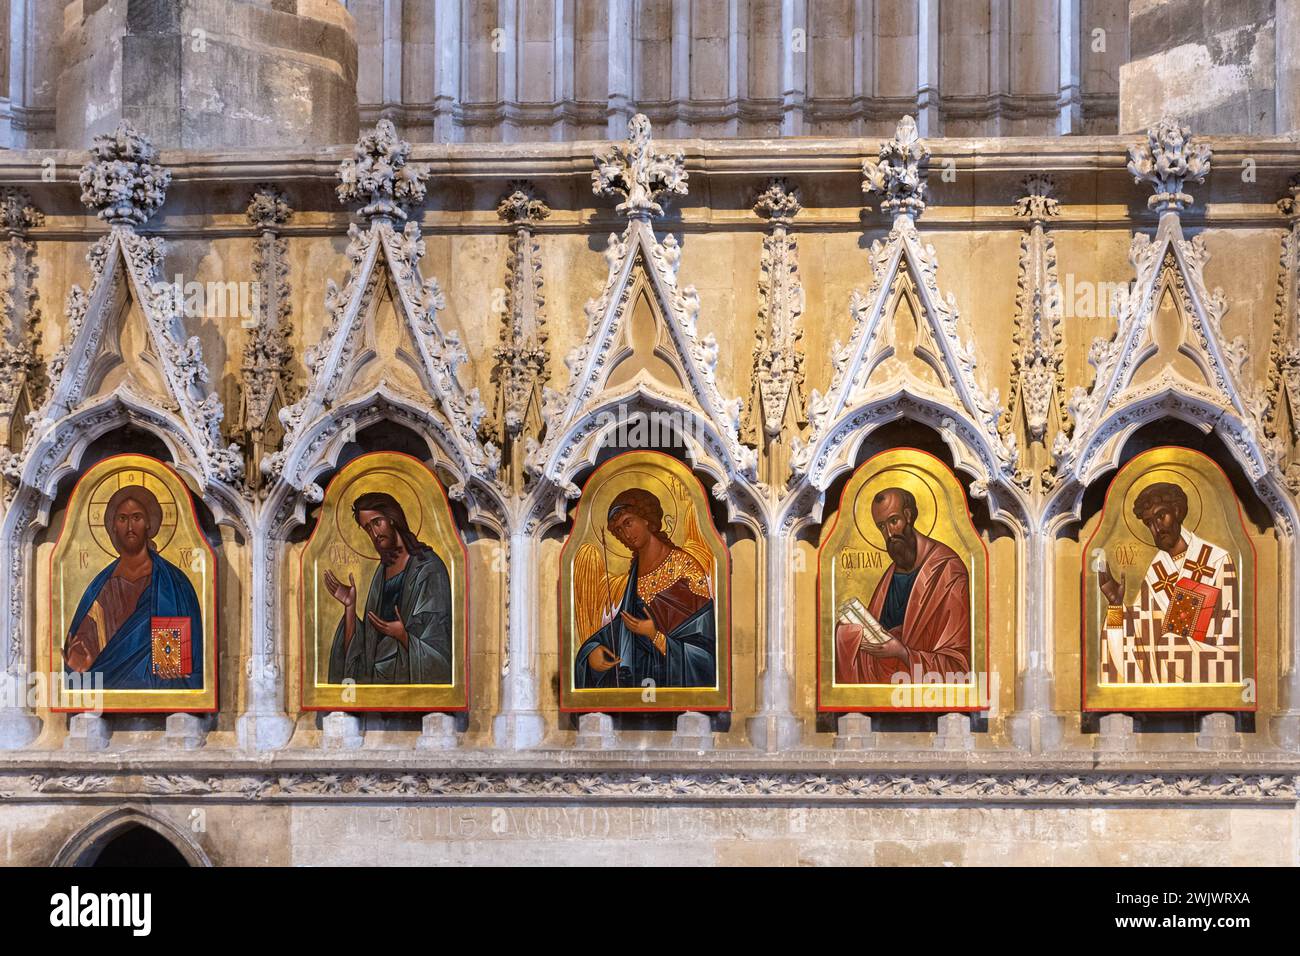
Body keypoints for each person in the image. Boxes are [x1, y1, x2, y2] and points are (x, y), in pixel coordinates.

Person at [63, 484, 204, 690]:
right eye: (122, 519)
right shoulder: (101, 586)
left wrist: (173, 663)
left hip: (160, 687)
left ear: (149, 524)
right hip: (103, 689)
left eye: (136, 518)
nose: (130, 526)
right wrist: (77, 658)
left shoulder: (174, 583)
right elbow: (81, 648)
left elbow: (183, 657)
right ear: (113, 527)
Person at [1097, 481, 1239, 684]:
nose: (1156, 528)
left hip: (1210, 660)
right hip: (1164, 667)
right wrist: (1115, 606)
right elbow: (1139, 632)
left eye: (1160, 516)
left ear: (1178, 511)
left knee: (1171, 643)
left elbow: (1227, 629)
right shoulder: (1156, 571)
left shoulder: (1214, 559)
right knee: (1168, 643)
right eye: (1149, 523)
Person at [574, 488, 716, 689]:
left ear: (646, 519)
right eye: (619, 531)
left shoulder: (685, 566)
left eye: (628, 523)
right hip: (638, 678)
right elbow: (624, 625)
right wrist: (594, 649)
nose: (626, 534)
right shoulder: (635, 574)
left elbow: (706, 644)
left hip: (674, 678)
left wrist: (655, 635)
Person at [834, 486, 971, 683]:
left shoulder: (948, 570)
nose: (889, 534)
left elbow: (960, 664)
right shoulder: (891, 574)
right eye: (881, 527)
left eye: (893, 521)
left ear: (908, 516)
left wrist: (902, 653)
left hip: (923, 689)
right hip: (886, 684)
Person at [324, 491, 453, 684]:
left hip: (407, 681)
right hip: (377, 682)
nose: (374, 534)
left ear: (392, 518)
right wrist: (350, 607)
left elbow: (439, 646)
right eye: (367, 528)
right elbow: (367, 649)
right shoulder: (382, 571)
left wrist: (403, 636)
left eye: (377, 522)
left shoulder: (429, 568)